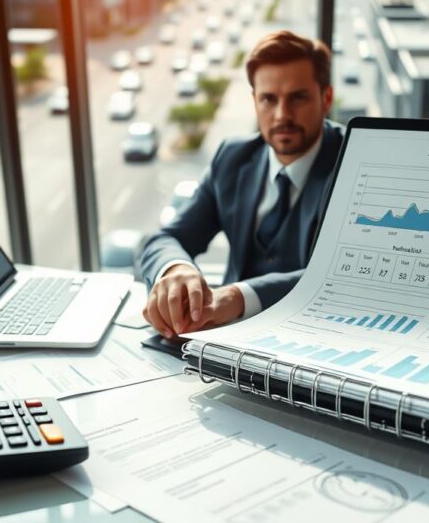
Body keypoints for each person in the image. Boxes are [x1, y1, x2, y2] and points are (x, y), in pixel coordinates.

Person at [140, 30, 343, 339]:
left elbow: (341, 279)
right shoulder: (232, 158)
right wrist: (175, 268)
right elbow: (165, 238)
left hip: (317, 340)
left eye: (298, 98)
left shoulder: (356, 164)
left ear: (325, 98)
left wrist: (237, 297)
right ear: (254, 100)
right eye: (268, 99)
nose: (282, 115)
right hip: (228, 341)